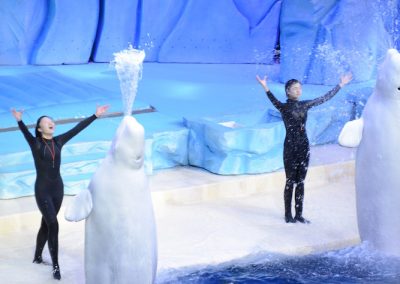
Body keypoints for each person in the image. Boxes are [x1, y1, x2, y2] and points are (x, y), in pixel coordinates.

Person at [11, 105, 109, 280]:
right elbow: (25, 132)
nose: (51, 123)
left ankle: (37, 257)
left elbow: (77, 129)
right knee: (53, 224)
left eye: (52, 121)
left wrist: (95, 115)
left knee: (46, 224)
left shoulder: (58, 142)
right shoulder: (35, 144)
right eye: (47, 122)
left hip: (58, 189)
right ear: (40, 128)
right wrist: (19, 120)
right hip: (42, 190)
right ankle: (56, 266)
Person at [256, 74, 352, 224]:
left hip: (303, 146)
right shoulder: (283, 107)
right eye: (295, 88)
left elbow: (324, 98)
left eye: (300, 88)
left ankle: (299, 214)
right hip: (290, 147)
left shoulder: (305, 105)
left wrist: (340, 85)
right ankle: (288, 215)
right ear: (287, 91)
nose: (298, 90)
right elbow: (272, 99)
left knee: (300, 181)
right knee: (290, 181)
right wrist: (265, 87)